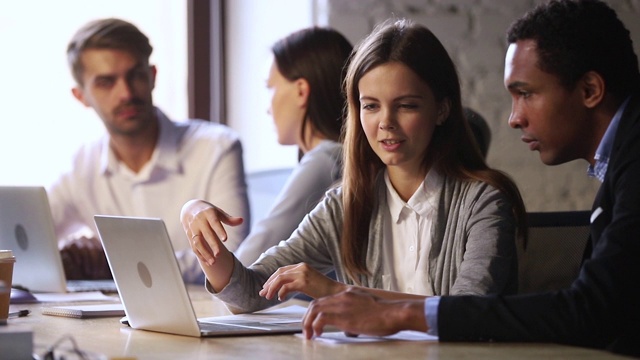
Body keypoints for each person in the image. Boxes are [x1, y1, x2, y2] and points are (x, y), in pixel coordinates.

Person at [301, 0, 640, 356]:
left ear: (589, 90)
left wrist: (396, 312)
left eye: (526, 93)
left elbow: (590, 310)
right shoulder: (620, 165)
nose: (514, 118)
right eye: (370, 105)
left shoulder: (631, 162)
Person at [180, 18, 527, 313]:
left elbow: (467, 312)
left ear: (442, 109)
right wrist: (200, 229)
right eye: (371, 106)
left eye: (405, 105)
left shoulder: (483, 201)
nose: (385, 123)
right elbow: (249, 293)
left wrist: (339, 294)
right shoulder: (344, 205)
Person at [49, 18, 250, 283]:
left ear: (152, 76)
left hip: (204, 317)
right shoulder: (82, 165)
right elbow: (30, 244)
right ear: (81, 96)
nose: (126, 93)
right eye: (106, 82)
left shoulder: (217, 148)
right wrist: (66, 257)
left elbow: (232, 257)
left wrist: (114, 262)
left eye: (135, 75)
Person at [230, 27, 352, 266]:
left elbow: (246, 263)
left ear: (301, 91)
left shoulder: (325, 160)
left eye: (270, 88)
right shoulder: (340, 158)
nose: (267, 107)